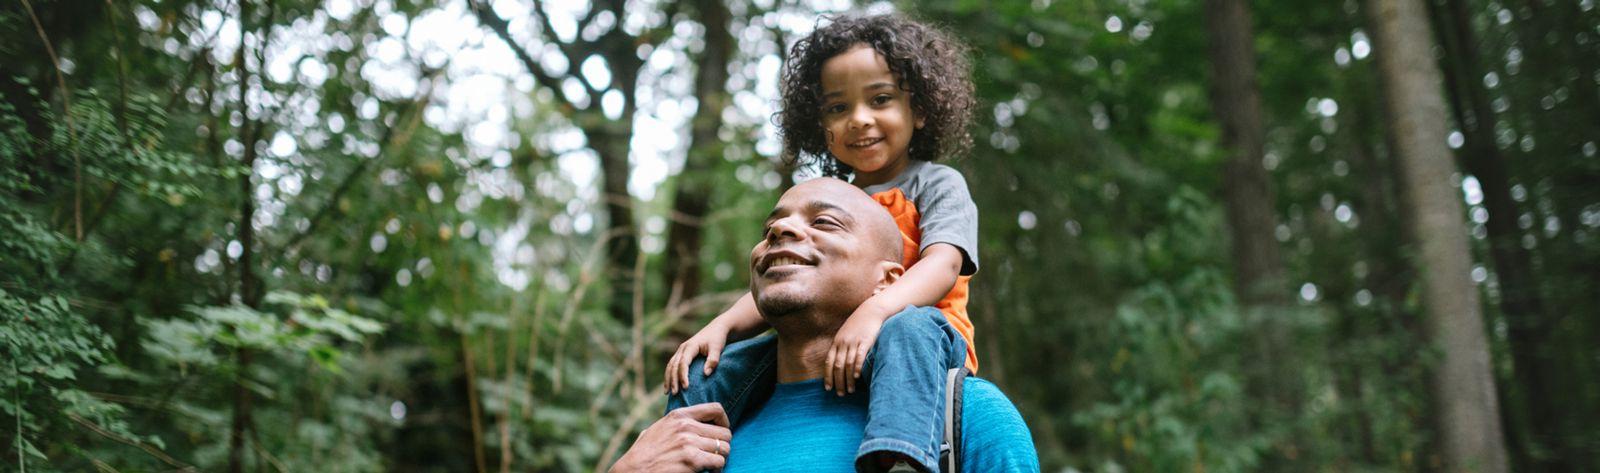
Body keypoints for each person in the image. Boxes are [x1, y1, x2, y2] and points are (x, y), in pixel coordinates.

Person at [663, 13, 983, 472]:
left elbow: (944, 265)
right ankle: (678, 458)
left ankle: (903, 457)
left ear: (921, 109)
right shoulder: (828, 198)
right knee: (705, 368)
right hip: (825, 347)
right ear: (819, 126)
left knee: (906, 328)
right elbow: (788, 273)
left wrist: (875, 311)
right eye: (838, 108)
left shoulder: (936, 184)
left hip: (921, 343)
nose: (859, 119)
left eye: (881, 99)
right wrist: (721, 329)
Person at [615, 178, 1036, 472]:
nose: (780, 228)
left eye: (824, 222)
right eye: (770, 228)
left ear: (888, 282)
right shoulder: (691, 435)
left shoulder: (969, 419)